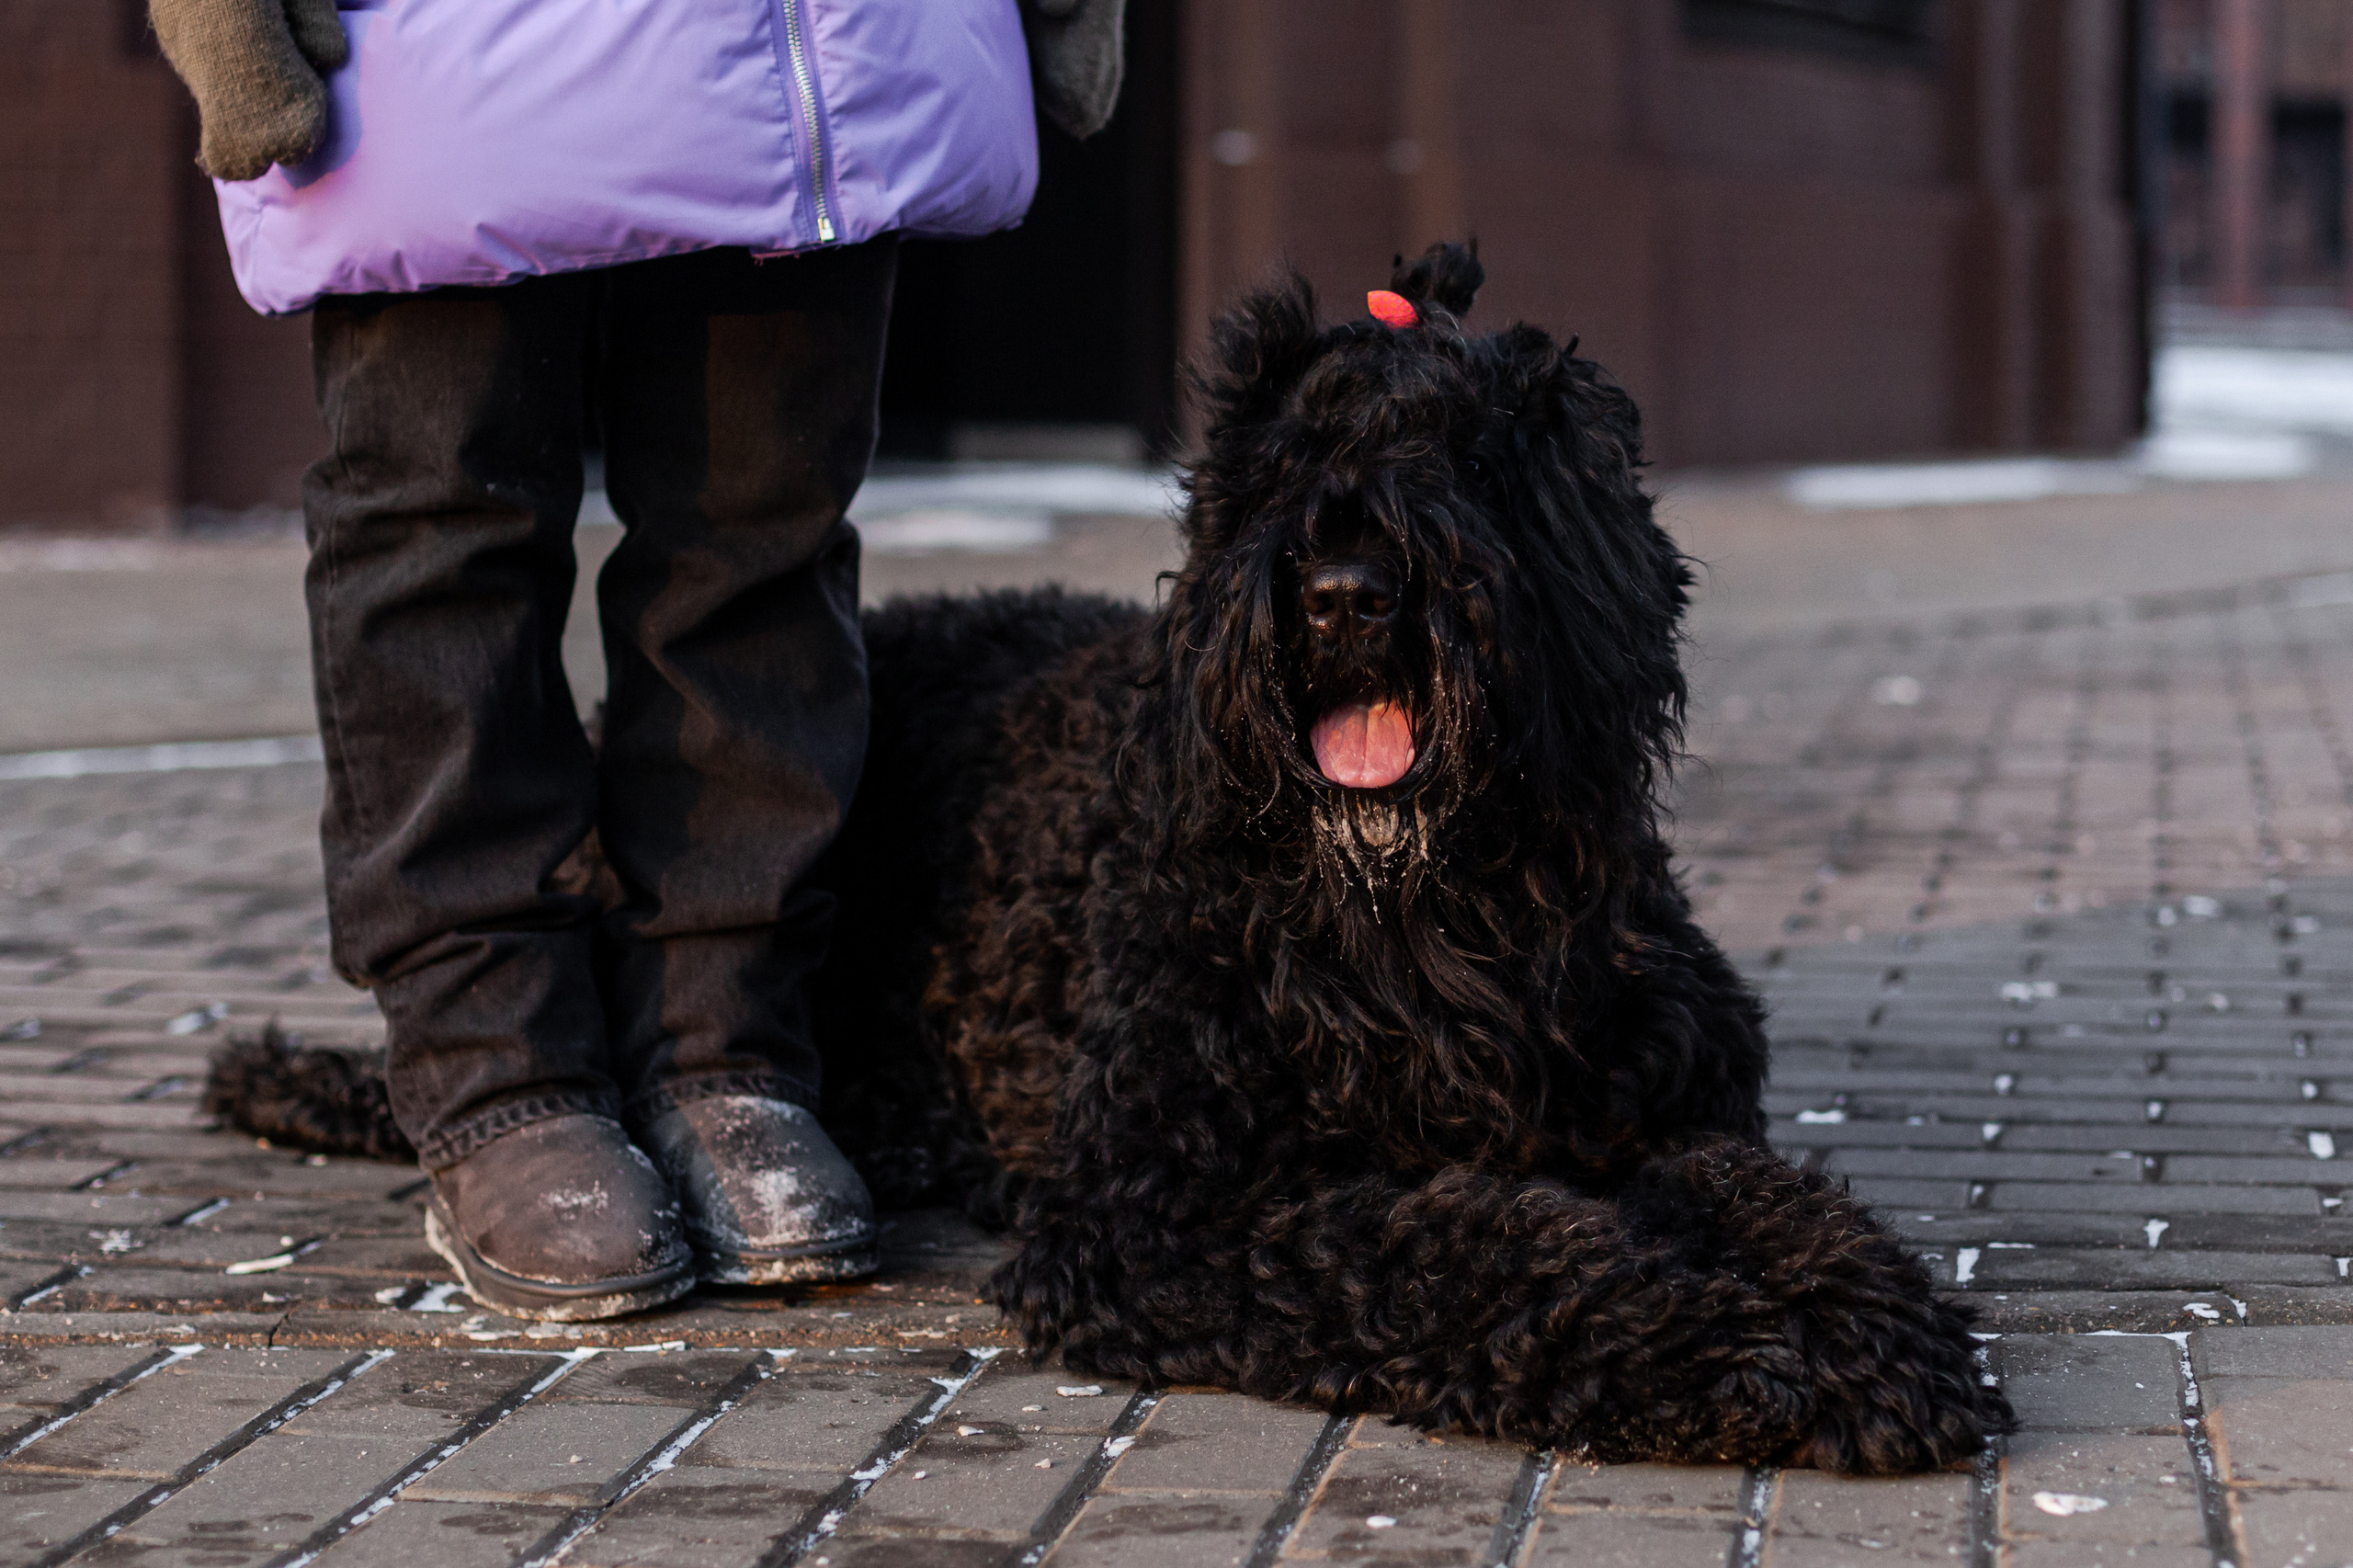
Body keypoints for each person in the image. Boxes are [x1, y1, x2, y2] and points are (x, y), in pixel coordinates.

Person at [150, 0, 1124, 1321]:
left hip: (822, 52)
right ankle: (497, 1064)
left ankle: (726, 1042)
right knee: (445, 534)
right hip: (445, 55)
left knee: (758, 535)